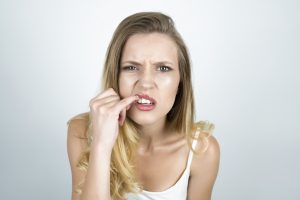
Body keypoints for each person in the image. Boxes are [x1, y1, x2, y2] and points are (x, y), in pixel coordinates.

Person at [67, 11, 220, 200]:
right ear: (115, 76)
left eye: (163, 68)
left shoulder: (202, 151)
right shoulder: (82, 132)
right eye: (131, 67)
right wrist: (101, 145)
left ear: (181, 81)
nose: (146, 83)